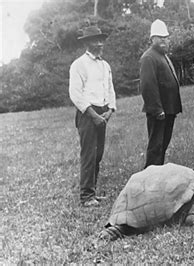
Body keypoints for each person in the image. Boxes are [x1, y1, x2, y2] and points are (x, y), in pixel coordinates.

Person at [69, 25, 116, 207]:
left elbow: (110, 89)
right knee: (88, 154)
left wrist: (110, 110)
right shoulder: (79, 65)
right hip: (87, 114)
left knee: (98, 154)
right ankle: (86, 195)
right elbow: (76, 94)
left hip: (103, 112)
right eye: (96, 40)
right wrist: (93, 114)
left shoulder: (105, 65)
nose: (100, 43)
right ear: (87, 43)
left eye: (101, 40)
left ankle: (93, 191)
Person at [140, 19, 182, 167]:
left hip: (169, 110)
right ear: (152, 39)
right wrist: (157, 109)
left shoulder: (163, 56)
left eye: (165, 37)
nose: (164, 40)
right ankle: (149, 179)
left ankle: (158, 177)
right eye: (160, 37)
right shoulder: (149, 57)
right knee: (155, 148)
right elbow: (147, 86)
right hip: (159, 112)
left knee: (162, 146)